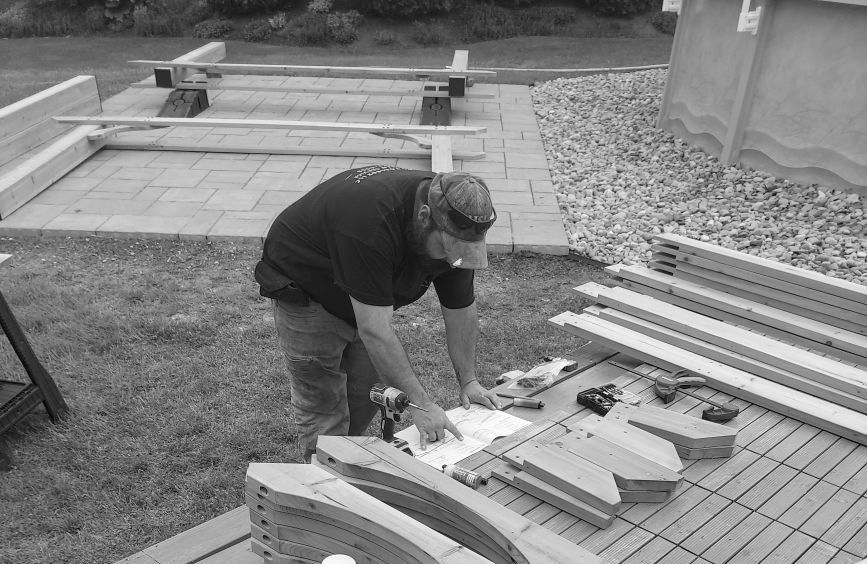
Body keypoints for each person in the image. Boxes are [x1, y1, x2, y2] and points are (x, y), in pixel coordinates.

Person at [255, 165, 502, 461]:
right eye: (449, 249)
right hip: (307, 288)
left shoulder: (455, 225)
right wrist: (421, 405)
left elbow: (460, 309)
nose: (454, 259)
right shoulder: (371, 223)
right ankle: (322, 484)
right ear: (425, 218)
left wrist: (469, 381)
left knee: (363, 394)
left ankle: (344, 462)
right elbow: (375, 330)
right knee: (325, 410)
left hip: (362, 287)